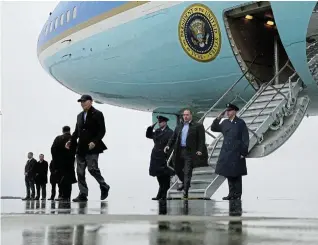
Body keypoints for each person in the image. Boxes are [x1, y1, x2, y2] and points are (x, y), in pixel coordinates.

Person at [66, 95, 110, 202]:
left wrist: (94, 142)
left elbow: (102, 131)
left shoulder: (98, 114)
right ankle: (83, 194)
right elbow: (77, 132)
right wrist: (70, 141)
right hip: (80, 148)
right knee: (80, 172)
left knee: (92, 169)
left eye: (84, 101)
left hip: (92, 148)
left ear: (91, 102)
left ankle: (104, 185)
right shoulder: (79, 116)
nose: (82, 103)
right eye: (81, 102)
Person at [164, 109, 207, 198]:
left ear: (191, 115)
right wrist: (168, 145)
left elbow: (201, 140)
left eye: (187, 115)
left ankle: (185, 191)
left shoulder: (198, 126)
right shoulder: (179, 126)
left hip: (190, 152)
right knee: (176, 168)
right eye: (184, 115)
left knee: (187, 171)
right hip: (180, 151)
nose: (185, 116)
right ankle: (184, 183)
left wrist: (200, 150)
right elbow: (173, 138)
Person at [210, 103, 249, 200]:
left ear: (234, 111)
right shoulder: (225, 123)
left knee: (237, 174)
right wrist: (218, 118)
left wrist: (243, 152)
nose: (228, 112)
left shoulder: (240, 123)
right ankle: (231, 194)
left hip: (237, 151)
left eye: (230, 111)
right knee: (228, 173)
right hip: (227, 152)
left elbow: (245, 138)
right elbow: (213, 128)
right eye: (227, 111)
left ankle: (237, 194)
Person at [146, 115, 174, 200]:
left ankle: (163, 195)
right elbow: (148, 135)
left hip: (164, 156)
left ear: (165, 122)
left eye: (161, 122)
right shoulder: (157, 131)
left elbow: (172, 143)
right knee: (159, 176)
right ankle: (160, 194)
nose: (160, 123)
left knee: (166, 176)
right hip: (156, 156)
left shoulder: (170, 132)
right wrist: (151, 127)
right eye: (159, 122)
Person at [51, 126, 77, 201]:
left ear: (62, 131)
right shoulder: (73, 138)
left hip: (59, 162)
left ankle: (62, 195)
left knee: (61, 179)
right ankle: (67, 196)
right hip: (70, 162)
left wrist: (55, 161)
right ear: (69, 131)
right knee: (68, 179)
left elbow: (53, 150)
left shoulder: (58, 138)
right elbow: (76, 150)